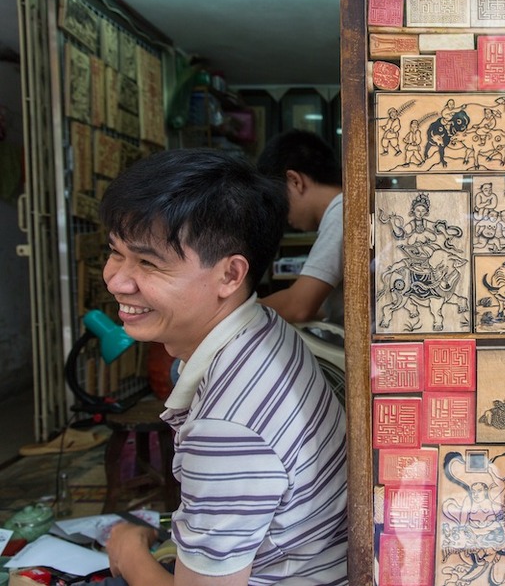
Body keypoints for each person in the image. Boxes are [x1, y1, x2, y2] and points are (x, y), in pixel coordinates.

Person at [95, 148, 348, 585]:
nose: (116, 279)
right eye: (115, 253)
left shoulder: (227, 428)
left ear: (231, 275)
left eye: (148, 263)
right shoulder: (264, 330)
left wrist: (129, 549)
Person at [257, 129, 344, 325]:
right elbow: (325, 306)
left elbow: (299, 307)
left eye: (278, 202)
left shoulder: (342, 211)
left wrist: (231, 315)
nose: (282, 215)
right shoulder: (343, 208)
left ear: (295, 181)